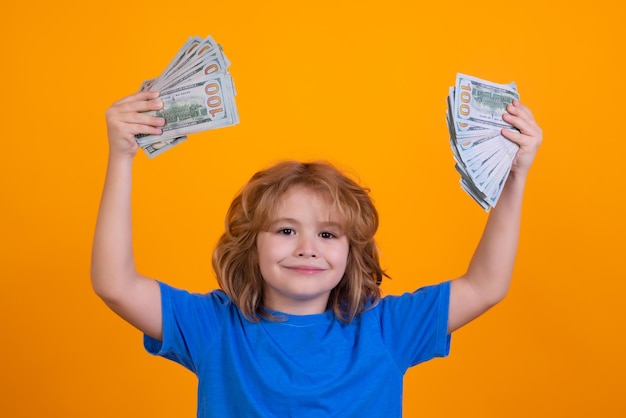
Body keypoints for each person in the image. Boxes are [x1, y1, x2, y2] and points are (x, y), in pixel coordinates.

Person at [91, 90, 542, 417]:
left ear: (352, 252)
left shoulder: (386, 330)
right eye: (287, 230)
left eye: (329, 235)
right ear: (252, 243)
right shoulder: (214, 327)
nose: (307, 248)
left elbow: (485, 285)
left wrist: (515, 177)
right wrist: (121, 157)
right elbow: (115, 284)